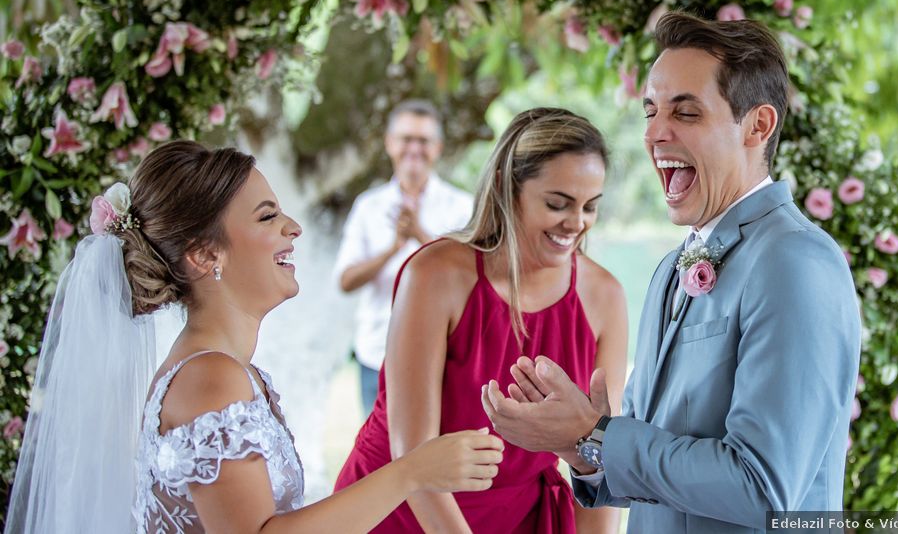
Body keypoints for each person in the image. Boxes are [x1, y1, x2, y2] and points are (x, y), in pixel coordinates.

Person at [482, 12, 862, 534]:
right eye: (651, 111)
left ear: (758, 126)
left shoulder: (795, 263)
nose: (654, 134)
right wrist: (578, 443)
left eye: (685, 113)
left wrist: (598, 433)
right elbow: (648, 462)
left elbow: (764, 489)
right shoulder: (670, 268)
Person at [4, 141, 503, 534]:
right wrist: (410, 473)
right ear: (204, 257)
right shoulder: (210, 378)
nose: (294, 227)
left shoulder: (225, 371)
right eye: (267, 216)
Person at [335, 107, 628, 533]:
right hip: (404, 511)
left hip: (518, 516)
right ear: (510, 191)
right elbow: (411, 449)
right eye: (558, 204)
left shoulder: (605, 297)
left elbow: (597, 458)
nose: (576, 223)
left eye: (590, 207)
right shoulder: (434, 275)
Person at [333, 99, 473, 415]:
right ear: (390, 143)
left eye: (423, 140)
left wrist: (421, 235)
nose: (414, 148)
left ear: (437, 147)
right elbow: (345, 280)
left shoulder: (461, 206)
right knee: (382, 458)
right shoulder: (368, 206)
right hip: (376, 353)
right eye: (406, 139)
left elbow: (474, 276)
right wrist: (392, 249)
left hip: (444, 356)